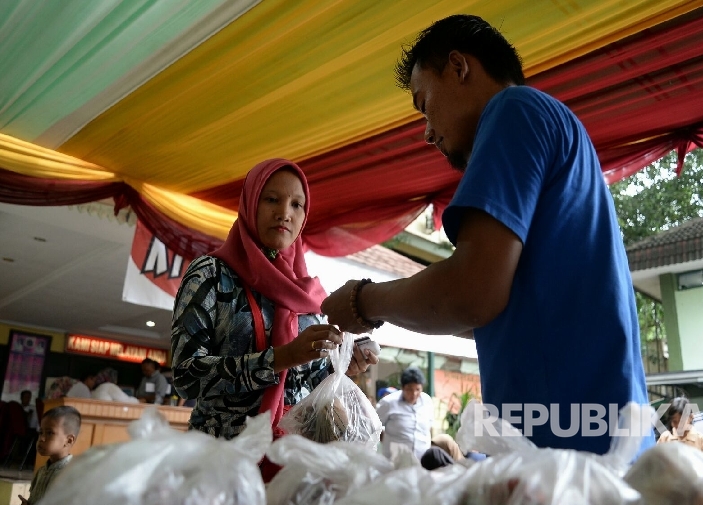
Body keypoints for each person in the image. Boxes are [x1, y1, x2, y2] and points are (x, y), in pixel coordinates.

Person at [322, 15, 651, 455]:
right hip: (592, 437)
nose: (426, 132)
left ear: (458, 67)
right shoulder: (550, 125)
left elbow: (471, 294)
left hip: (571, 446)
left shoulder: (514, 109)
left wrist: (364, 301)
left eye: (425, 104)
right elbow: (495, 309)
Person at [171, 159, 378, 448]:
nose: (284, 213)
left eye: (296, 205)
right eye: (271, 200)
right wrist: (282, 357)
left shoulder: (305, 291)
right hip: (219, 458)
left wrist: (342, 365)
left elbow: (302, 381)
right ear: (251, 203)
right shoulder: (211, 274)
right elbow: (185, 376)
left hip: (291, 459)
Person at [17, 405, 80, 505]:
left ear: (69, 440)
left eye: (50, 433)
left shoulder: (72, 474)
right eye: (41, 433)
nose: (42, 439)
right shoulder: (42, 471)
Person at [376, 367, 434, 460]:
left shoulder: (427, 402)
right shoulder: (388, 403)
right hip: (394, 462)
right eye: (409, 389)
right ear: (402, 387)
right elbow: (374, 427)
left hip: (421, 463)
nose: (414, 393)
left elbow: (429, 427)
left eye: (417, 389)